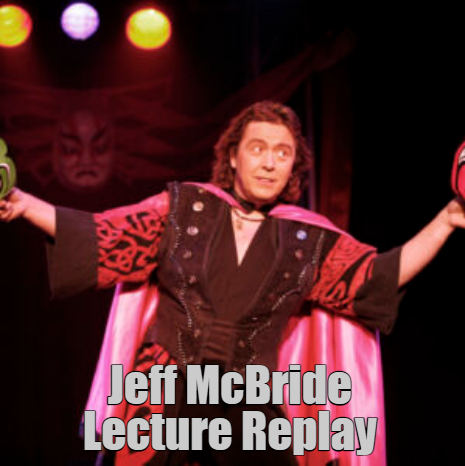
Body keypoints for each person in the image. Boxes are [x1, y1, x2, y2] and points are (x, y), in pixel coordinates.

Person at [1, 101, 465, 466]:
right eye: (257, 148)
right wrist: (22, 203)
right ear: (232, 156)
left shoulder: (307, 238)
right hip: (162, 390)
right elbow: (104, 236)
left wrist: (447, 218)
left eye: (282, 153)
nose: (269, 163)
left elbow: (376, 278)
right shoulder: (182, 207)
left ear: (293, 166)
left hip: (249, 400)